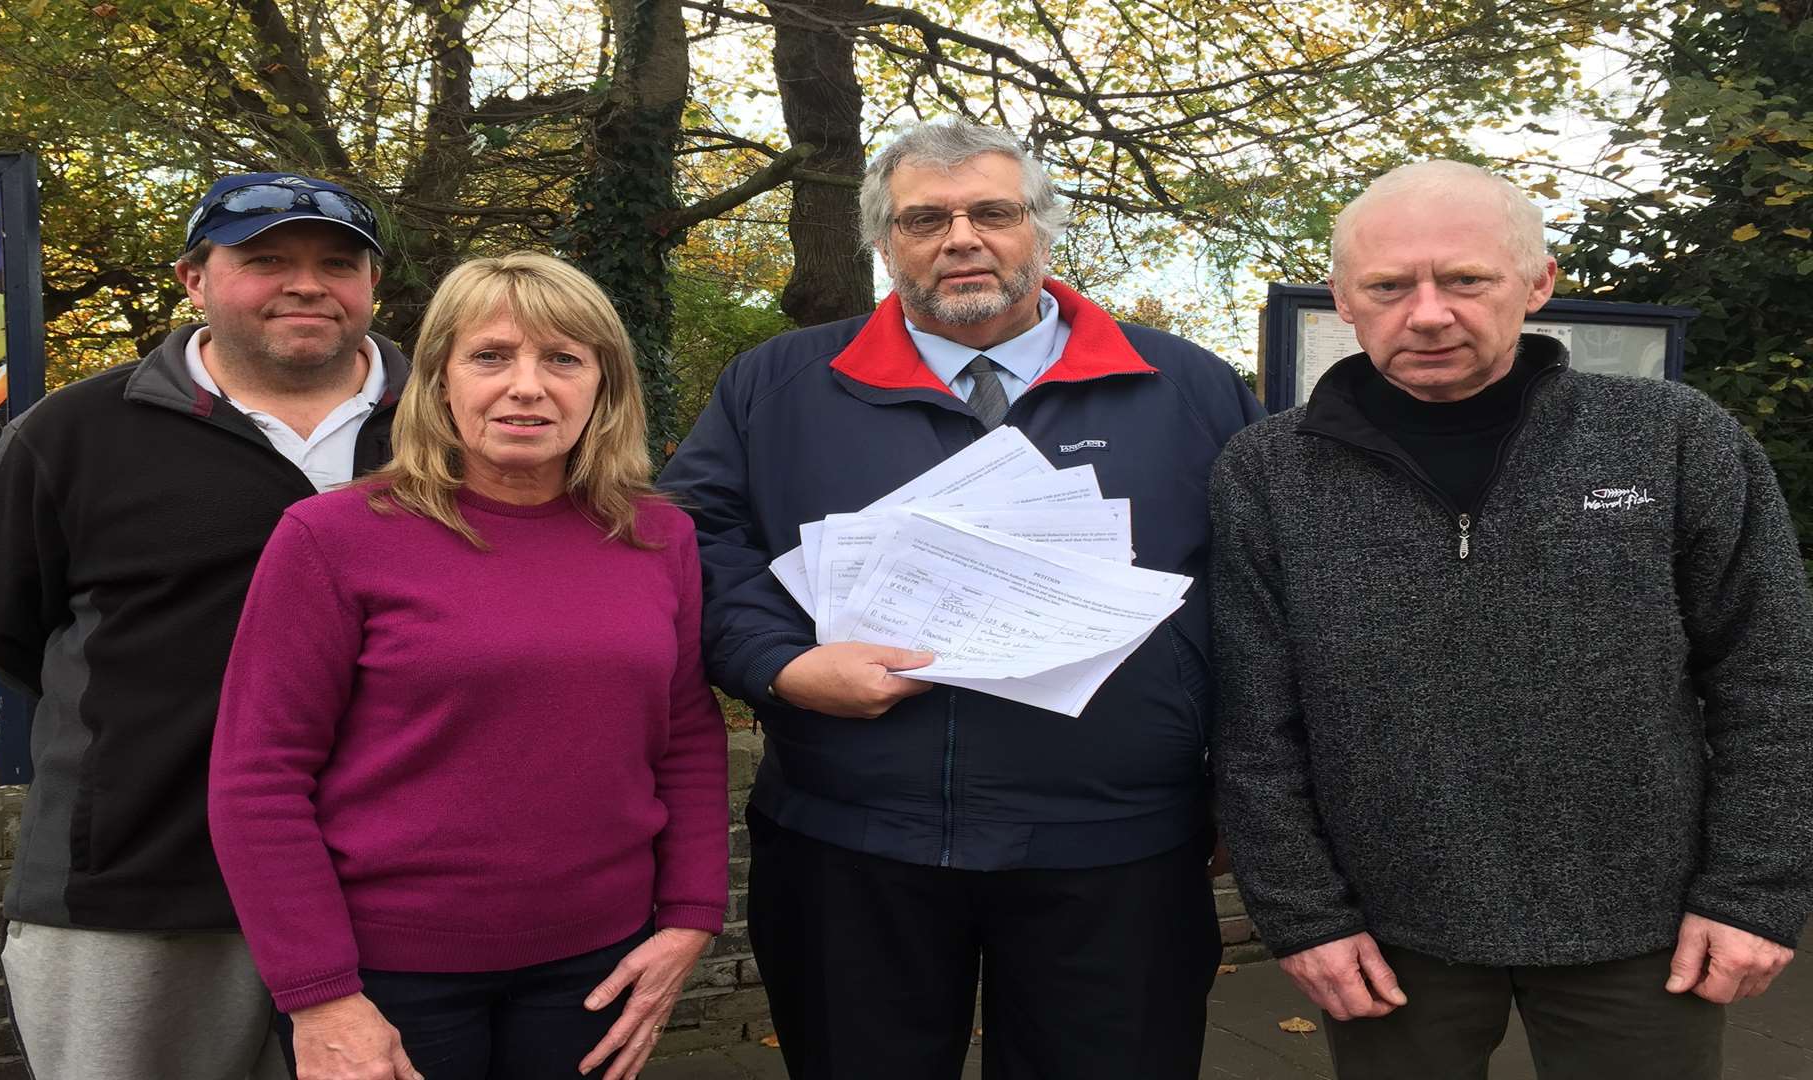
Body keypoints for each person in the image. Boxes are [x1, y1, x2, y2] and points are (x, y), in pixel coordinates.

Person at [657, 119, 1264, 1080]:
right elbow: (692, 545)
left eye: (992, 212)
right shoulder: (777, 387)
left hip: (1115, 843)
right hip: (852, 837)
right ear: (884, 243)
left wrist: (1248, 784)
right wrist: (779, 663)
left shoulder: (1186, 386)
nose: (962, 238)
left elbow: (1258, 591)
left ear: (1042, 228)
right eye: (925, 219)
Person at [1210, 159, 1813, 1079]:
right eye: (1387, 286)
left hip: (1649, 926)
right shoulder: (1268, 474)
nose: (1427, 312)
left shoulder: (1675, 438)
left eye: (1466, 279)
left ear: (1538, 283)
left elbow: (1774, 678)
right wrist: (1304, 915)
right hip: (1388, 932)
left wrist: (1754, 891)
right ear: (1342, 297)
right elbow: (1255, 721)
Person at [207, 252, 728, 1080]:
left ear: (605, 386)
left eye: (563, 359)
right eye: (491, 356)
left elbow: (688, 739)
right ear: (440, 379)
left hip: (597, 967)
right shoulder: (333, 537)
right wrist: (320, 995)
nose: (528, 386)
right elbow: (258, 778)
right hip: (388, 977)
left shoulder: (658, 539)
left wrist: (692, 916)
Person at [0, 171, 405, 1080]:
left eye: (337, 262)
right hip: (139, 882)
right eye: (265, 260)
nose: (307, 284)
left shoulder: (451, 426)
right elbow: (5, 628)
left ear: (372, 285)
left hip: (394, 881)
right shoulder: (72, 436)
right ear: (194, 279)